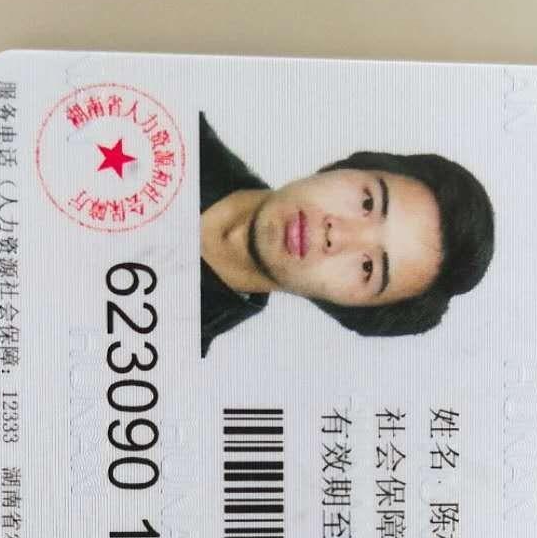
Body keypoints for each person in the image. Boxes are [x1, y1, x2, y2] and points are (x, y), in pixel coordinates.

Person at [199, 115, 495, 357]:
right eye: (368, 203)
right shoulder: (181, 124)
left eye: (368, 267)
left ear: (348, 308)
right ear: (347, 167)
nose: (337, 234)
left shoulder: (177, 360)